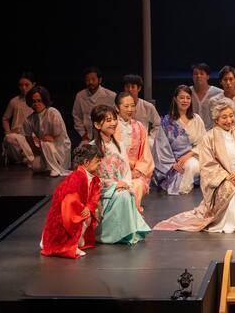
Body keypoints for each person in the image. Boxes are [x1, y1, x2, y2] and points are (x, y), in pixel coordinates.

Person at [154, 98, 235, 232]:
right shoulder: (209, 138)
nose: (229, 120)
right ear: (216, 120)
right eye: (224, 117)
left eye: (231, 116)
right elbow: (208, 165)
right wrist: (227, 177)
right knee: (230, 187)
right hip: (220, 182)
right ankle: (227, 222)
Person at [90, 104, 150, 244]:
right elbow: (92, 178)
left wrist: (126, 184)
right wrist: (114, 185)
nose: (113, 123)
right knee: (122, 195)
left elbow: (126, 171)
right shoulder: (92, 148)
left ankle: (125, 233)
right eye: (108, 120)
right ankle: (113, 234)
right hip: (104, 191)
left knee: (127, 193)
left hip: (121, 187)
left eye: (114, 119)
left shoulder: (119, 145)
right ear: (97, 125)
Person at [40, 144, 103, 258]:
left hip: (79, 207)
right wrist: (82, 209)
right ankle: (68, 243)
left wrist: (89, 207)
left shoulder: (92, 178)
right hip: (65, 213)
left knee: (91, 212)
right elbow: (70, 201)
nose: (100, 164)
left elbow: (94, 195)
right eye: (97, 161)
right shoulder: (76, 177)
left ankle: (77, 240)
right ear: (86, 162)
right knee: (82, 215)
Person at [152, 85, 207, 194]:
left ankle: (184, 187)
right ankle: (179, 184)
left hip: (194, 156)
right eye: (181, 98)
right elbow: (161, 146)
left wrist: (190, 154)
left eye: (188, 98)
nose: (185, 101)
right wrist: (172, 164)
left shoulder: (197, 119)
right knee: (188, 167)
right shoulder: (167, 121)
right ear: (175, 99)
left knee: (193, 165)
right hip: (173, 160)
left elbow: (204, 142)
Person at [113, 92, 154, 213]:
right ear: (117, 108)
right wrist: (123, 172)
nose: (130, 109)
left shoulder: (139, 126)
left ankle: (131, 214)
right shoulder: (112, 126)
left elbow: (146, 154)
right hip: (115, 172)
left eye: (132, 105)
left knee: (138, 184)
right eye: (126, 106)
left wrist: (138, 170)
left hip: (134, 172)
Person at [22, 86, 71, 177]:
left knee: (45, 142)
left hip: (59, 147)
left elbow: (57, 134)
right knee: (35, 166)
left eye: (39, 101)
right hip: (44, 149)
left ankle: (55, 168)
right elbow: (28, 137)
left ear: (44, 100)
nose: (36, 104)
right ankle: (49, 165)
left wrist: (48, 138)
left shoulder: (52, 112)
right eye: (34, 101)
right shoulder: (29, 119)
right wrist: (35, 151)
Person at [72, 66, 116, 144]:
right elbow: (76, 116)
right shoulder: (80, 96)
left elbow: (116, 116)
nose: (90, 82)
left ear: (100, 80)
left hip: (107, 135)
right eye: (87, 80)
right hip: (87, 136)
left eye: (93, 79)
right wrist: (83, 134)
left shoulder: (111, 96)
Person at [2, 71, 35, 165]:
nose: (23, 88)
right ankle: (22, 158)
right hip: (18, 135)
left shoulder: (37, 101)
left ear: (33, 85)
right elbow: (5, 118)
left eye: (26, 85)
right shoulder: (14, 101)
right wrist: (8, 132)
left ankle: (28, 157)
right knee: (9, 139)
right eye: (21, 85)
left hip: (33, 136)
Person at [123, 74, 161, 145]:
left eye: (133, 87)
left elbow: (158, 124)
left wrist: (150, 139)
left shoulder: (147, 106)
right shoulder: (119, 106)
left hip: (143, 142)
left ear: (139, 88)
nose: (130, 89)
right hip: (124, 142)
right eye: (127, 87)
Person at [189, 63, 222, 129]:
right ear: (192, 76)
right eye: (195, 74)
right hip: (192, 131)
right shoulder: (187, 92)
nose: (198, 76)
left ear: (207, 76)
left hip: (212, 131)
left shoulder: (218, 93)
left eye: (201, 73)